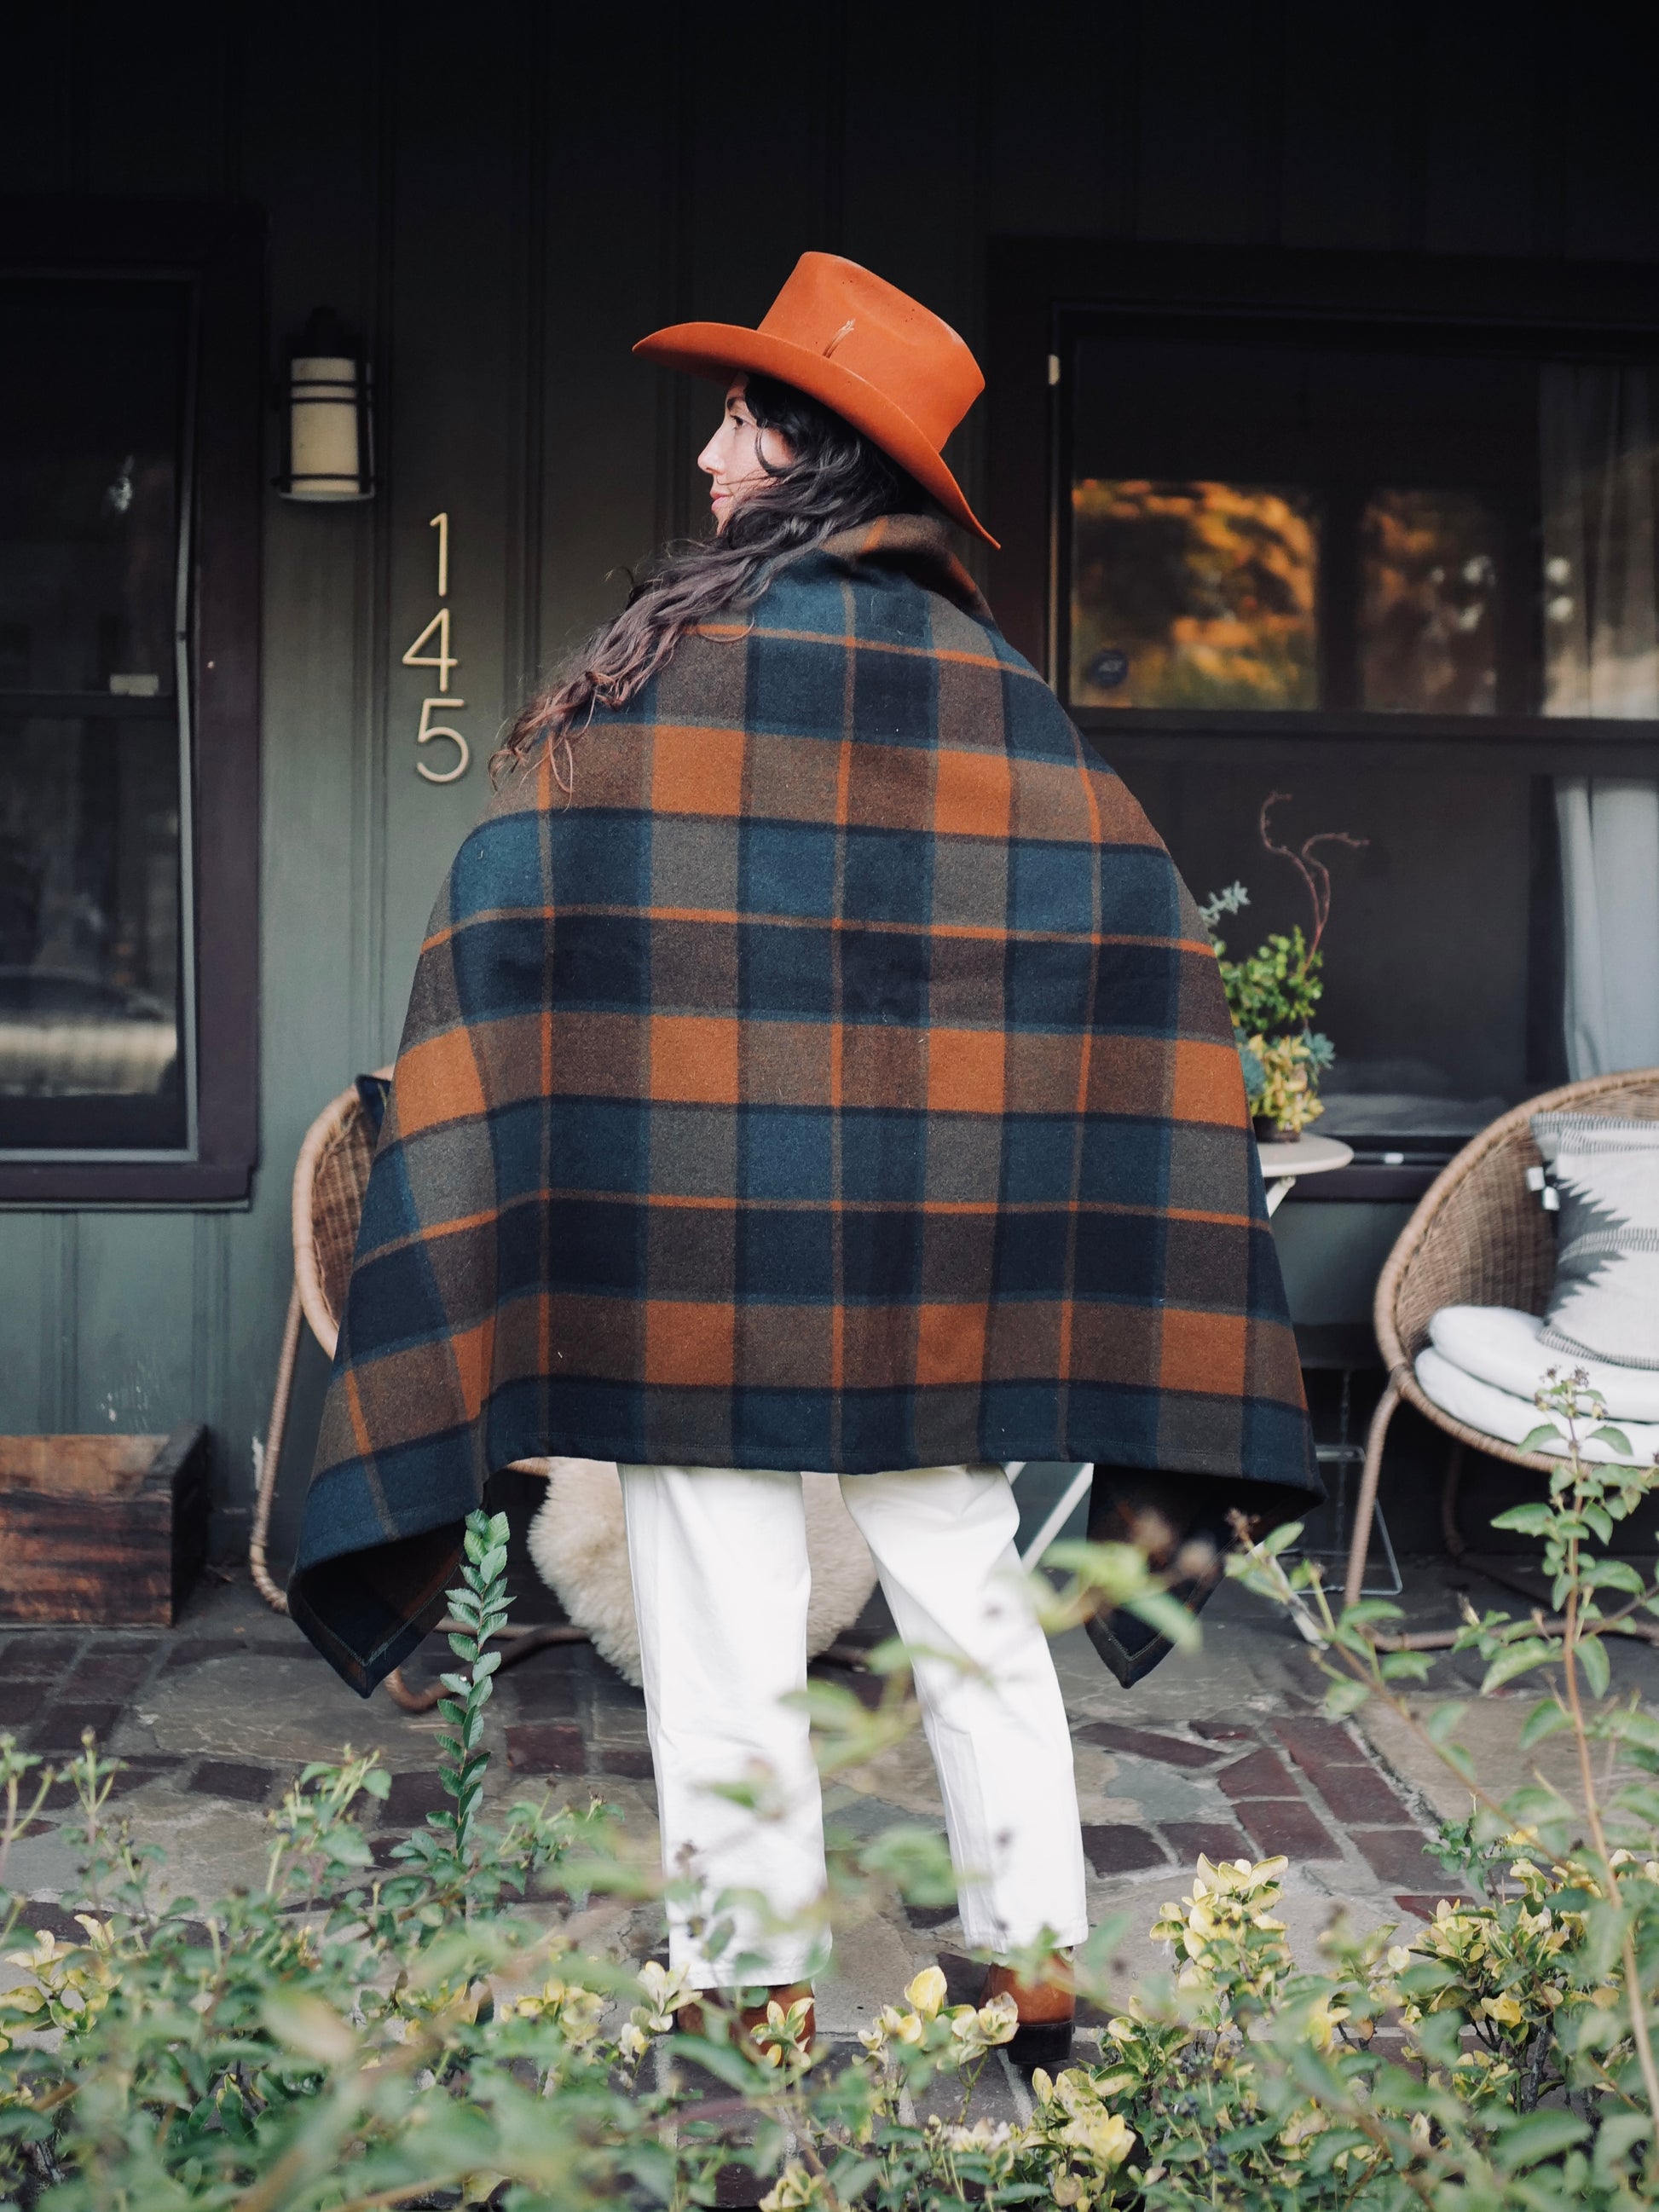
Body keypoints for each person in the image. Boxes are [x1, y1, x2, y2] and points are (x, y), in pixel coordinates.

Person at [289, 253, 1319, 2065]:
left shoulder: (673, 681)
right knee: (972, 1587)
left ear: (810, 448)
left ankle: (753, 1988)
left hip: (697, 1257)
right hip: (940, 1267)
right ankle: (1036, 1971)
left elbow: (510, 896)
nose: (705, 455)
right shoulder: (999, 702)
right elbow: (1139, 938)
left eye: (739, 416)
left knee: (722, 1612)